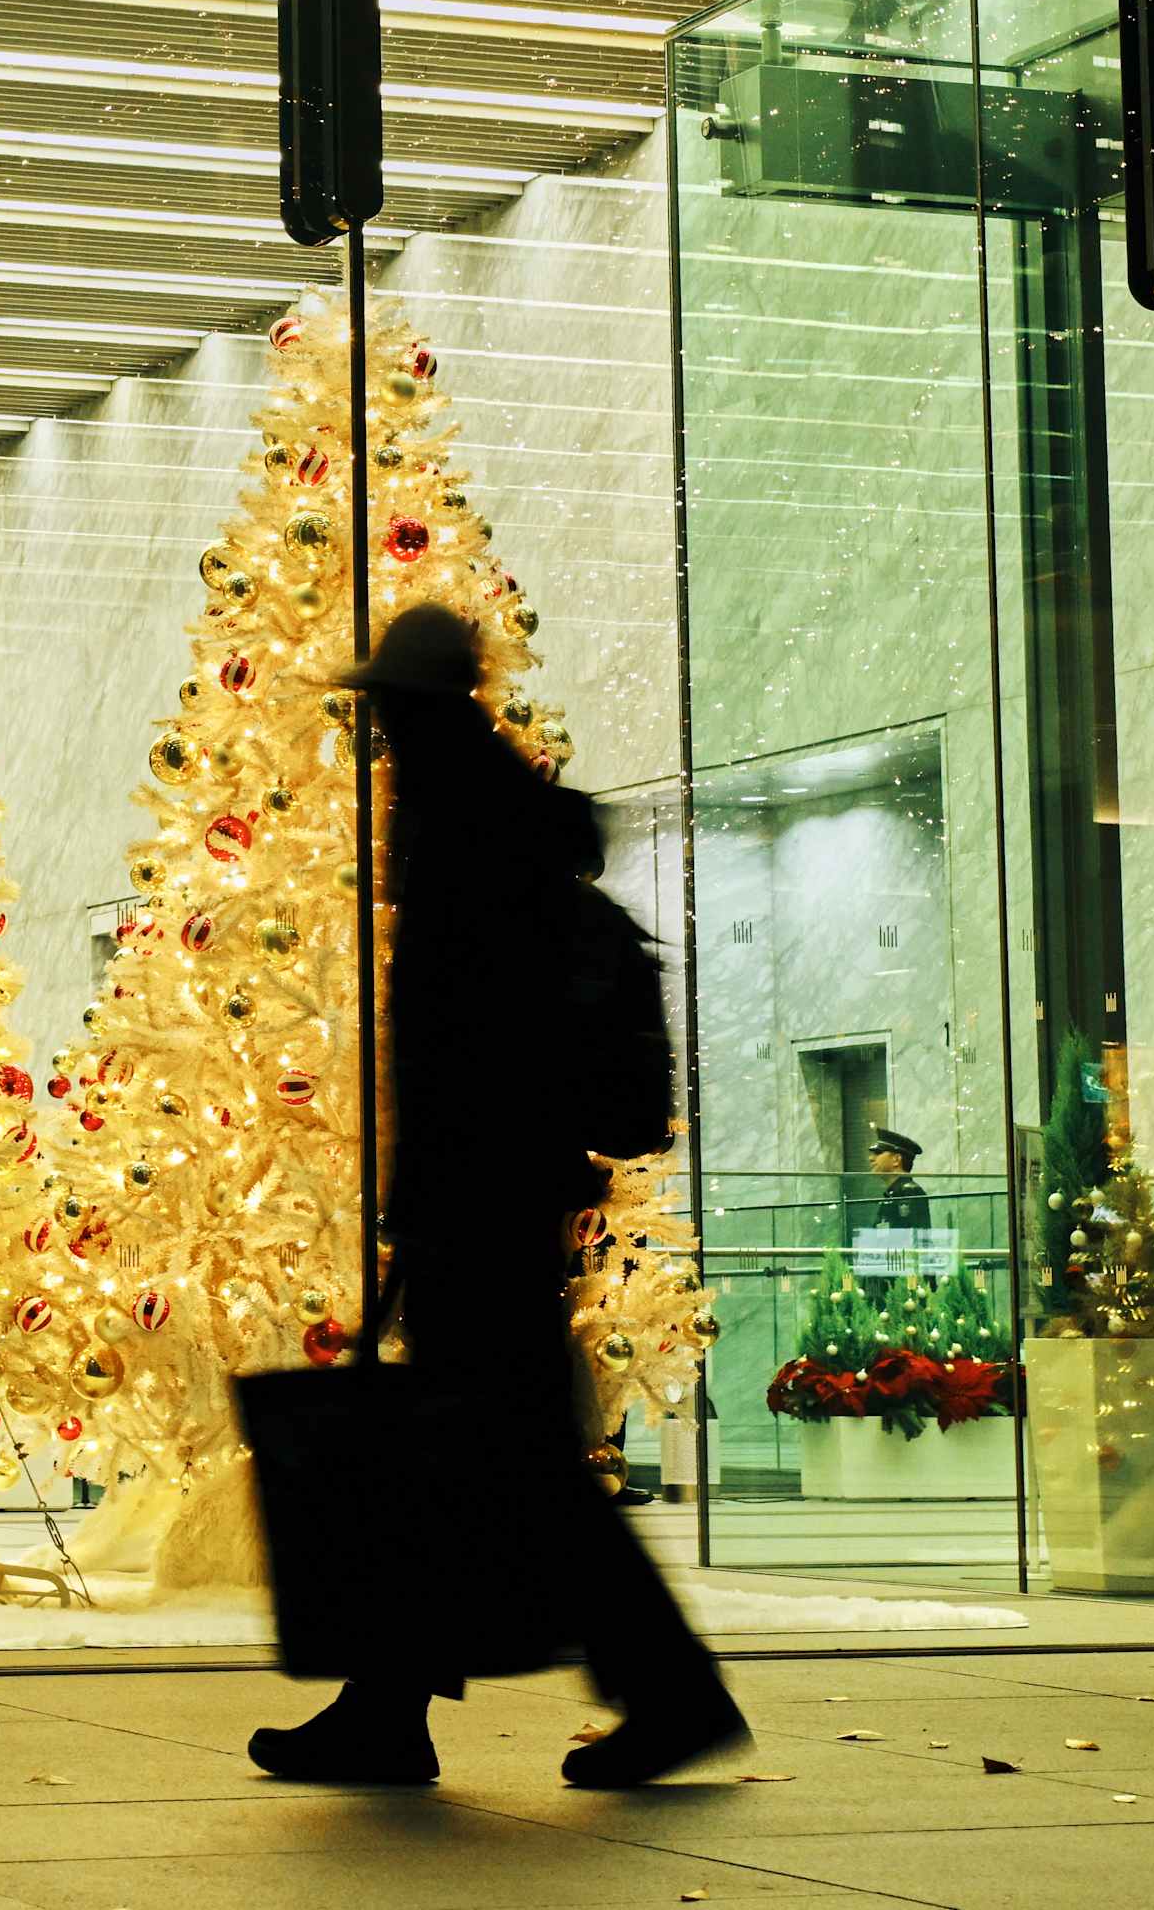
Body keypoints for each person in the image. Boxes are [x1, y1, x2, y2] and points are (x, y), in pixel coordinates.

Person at [246, 603, 747, 1792]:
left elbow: (471, 1048)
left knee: (514, 1466)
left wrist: (430, 1197)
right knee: (463, 1461)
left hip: (486, 1201)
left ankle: (670, 1690)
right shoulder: (480, 815)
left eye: (382, 706)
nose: (372, 729)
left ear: (416, 705)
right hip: (492, 1197)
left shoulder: (468, 830)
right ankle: (387, 1706)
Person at [847, 1129, 928, 1311]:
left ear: (896, 1159)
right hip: (886, 1281)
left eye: (878, 1153)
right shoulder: (892, 1194)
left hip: (899, 1285)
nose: (871, 1159)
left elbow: (916, 1242)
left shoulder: (908, 1191)